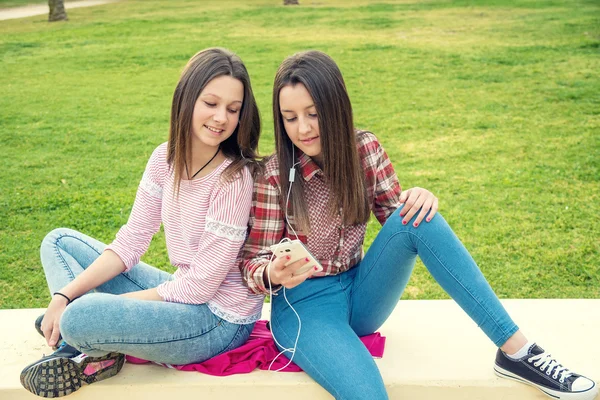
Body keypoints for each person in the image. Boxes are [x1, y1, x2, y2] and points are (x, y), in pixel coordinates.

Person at [241, 50, 598, 400]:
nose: (302, 128)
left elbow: (400, 219)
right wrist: (272, 272)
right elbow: (250, 263)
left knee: (419, 217)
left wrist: (419, 198)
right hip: (305, 308)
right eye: (290, 117)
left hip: (360, 293)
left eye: (314, 114)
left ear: (336, 108)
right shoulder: (274, 175)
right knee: (367, 393)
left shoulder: (364, 149)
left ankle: (518, 352)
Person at [20, 47, 265, 398]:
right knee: (59, 242)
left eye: (233, 109)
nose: (221, 118)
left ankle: (84, 346)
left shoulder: (234, 180)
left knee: (81, 316)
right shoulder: (163, 158)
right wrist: (64, 294)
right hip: (182, 295)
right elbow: (132, 240)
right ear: (187, 99)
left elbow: (200, 288)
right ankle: (87, 338)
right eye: (211, 103)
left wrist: (109, 307)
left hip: (217, 322)